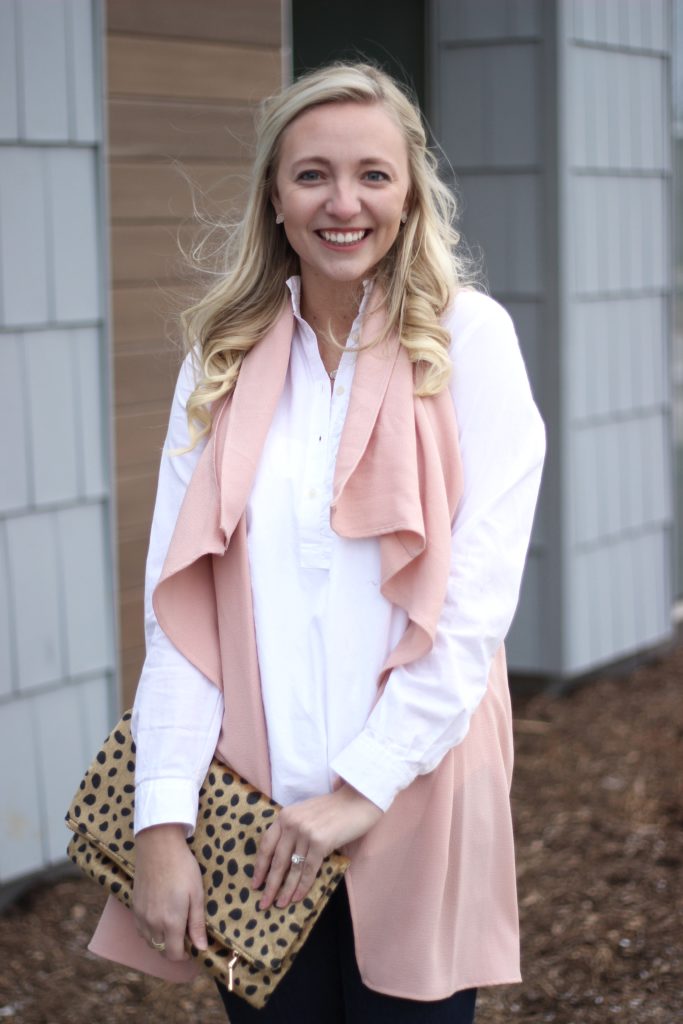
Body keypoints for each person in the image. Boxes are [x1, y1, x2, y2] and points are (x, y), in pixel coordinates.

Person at [107, 63, 545, 1023]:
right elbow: (178, 616)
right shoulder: (218, 360)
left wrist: (362, 787)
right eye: (312, 175)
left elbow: (473, 610)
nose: (343, 203)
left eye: (372, 175)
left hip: (416, 793)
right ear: (273, 195)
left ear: (411, 195)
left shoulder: (469, 341)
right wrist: (161, 823)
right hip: (252, 819)